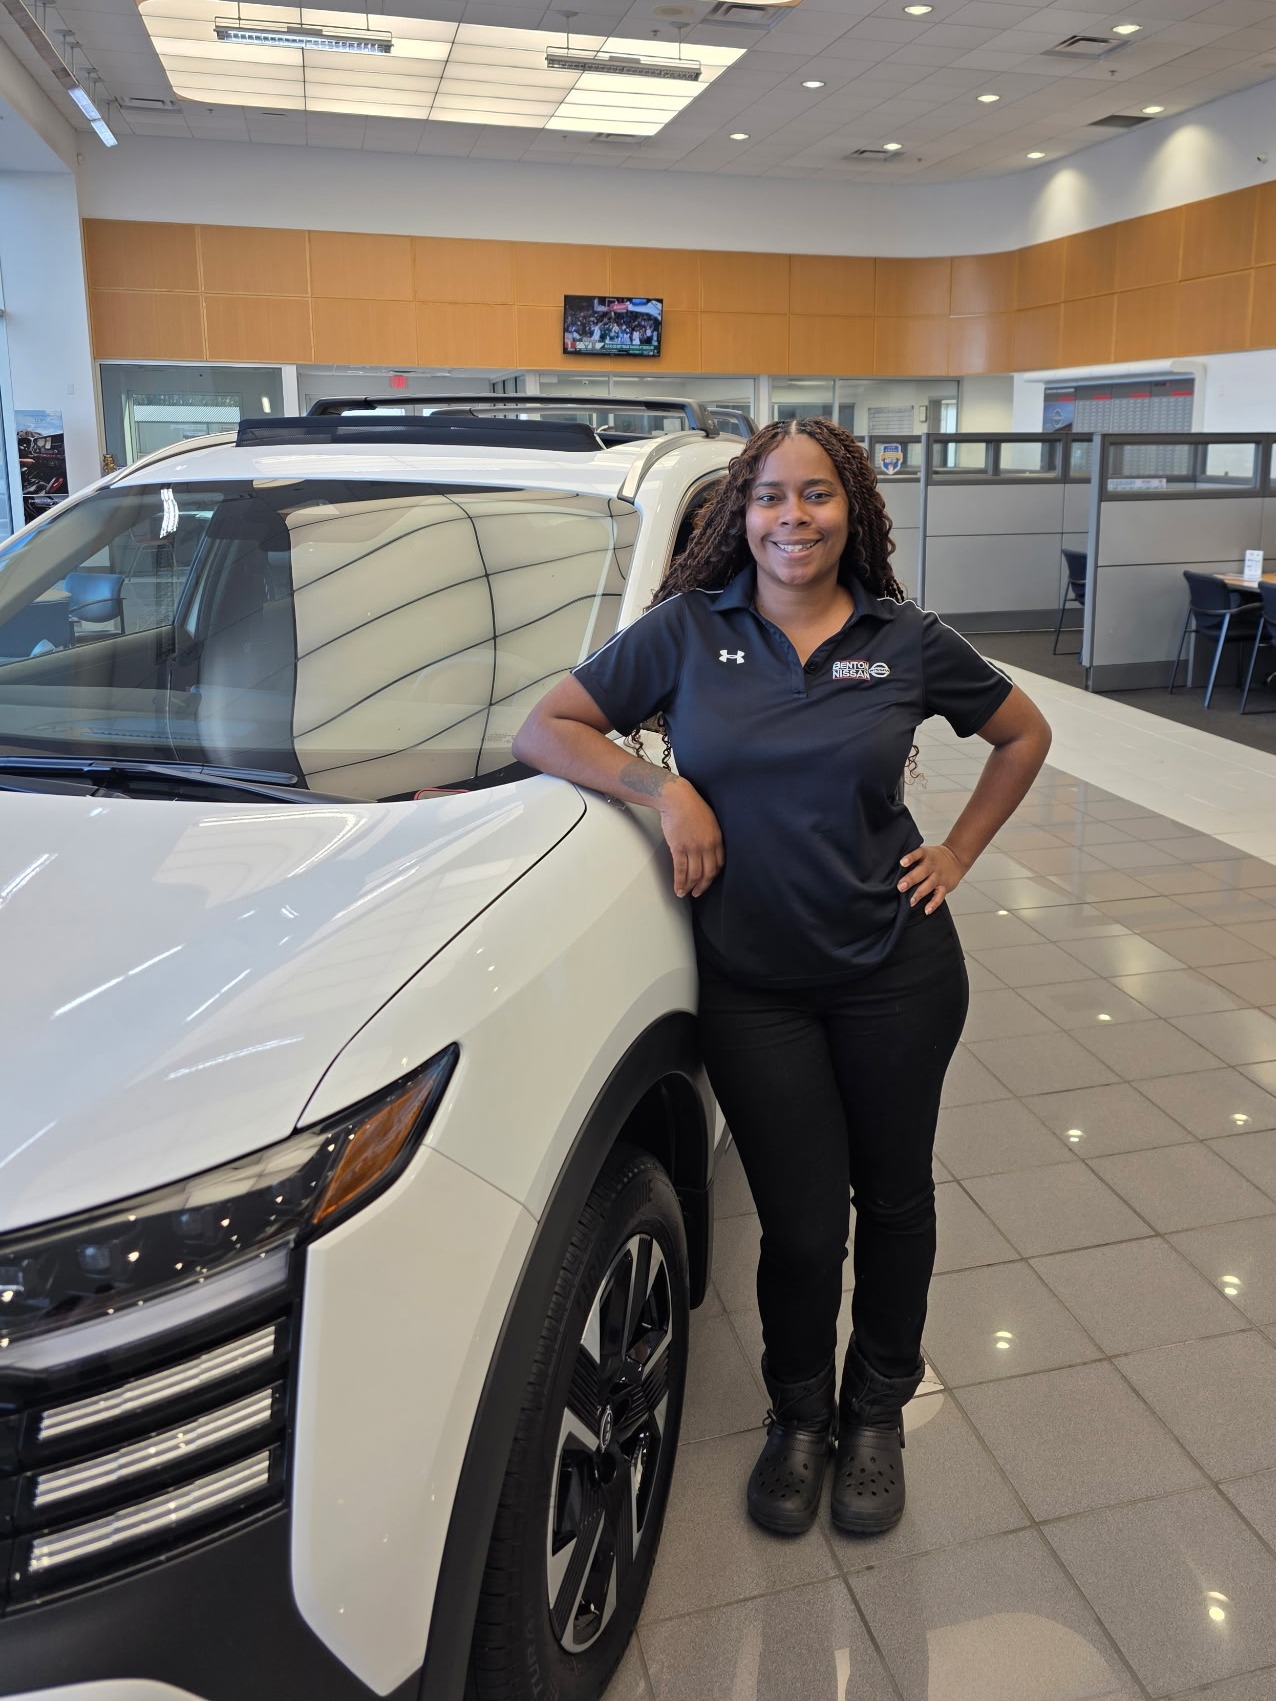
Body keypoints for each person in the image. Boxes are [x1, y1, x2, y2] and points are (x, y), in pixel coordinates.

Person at [512, 417, 1050, 1539]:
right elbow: (547, 725)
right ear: (738, 514)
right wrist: (662, 789)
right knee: (802, 1226)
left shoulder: (905, 639)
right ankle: (798, 1417)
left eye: (815, 496)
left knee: (893, 1198)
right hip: (754, 988)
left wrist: (955, 851)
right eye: (769, 497)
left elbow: (1022, 733)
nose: (791, 518)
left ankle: (876, 1417)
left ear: (850, 511)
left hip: (895, 971)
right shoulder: (685, 632)